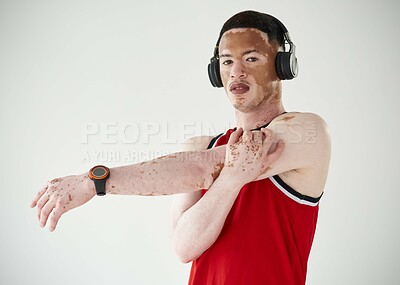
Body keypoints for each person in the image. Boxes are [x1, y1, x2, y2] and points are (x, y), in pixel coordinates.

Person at [31, 10, 330, 285]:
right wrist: (230, 181)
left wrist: (95, 182)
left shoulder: (307, 131)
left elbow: (204, 167)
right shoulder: (202, 145)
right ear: (217, 72)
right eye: (226, 61)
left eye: (251, 59)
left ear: (282, 66)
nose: (236, 71)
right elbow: (184, 247)